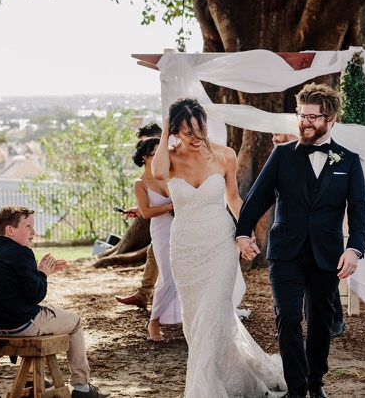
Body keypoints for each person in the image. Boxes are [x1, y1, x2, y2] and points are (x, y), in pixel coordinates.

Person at [237, 83, 365, 398]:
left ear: (330, 119)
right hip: (286, 253)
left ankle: (315, 382)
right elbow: (257, 197)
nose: (306, 122)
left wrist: (354, 249)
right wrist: (243, 232)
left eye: (313, 117)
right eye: (302, 115)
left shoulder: (348, 161)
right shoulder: (282, 155)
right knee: (289, 318)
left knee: (321, 323)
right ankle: (297, 389)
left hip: (327, 255)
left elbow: (360, 208)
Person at [151, 97, 286, 397]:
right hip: (185, 249)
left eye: (201, 129)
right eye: (187, 132)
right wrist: (164, 131)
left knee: (212, 313)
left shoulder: (225, 155)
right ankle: (236, 379)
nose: (197, 138)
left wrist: (245, 233)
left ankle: (203, 390)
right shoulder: (168, 157)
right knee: (197, 321)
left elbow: (234, 199)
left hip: (220, 245)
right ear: (174, 132)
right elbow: (158, 173)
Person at [0, 205, 108, 398]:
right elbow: (35, 294)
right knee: (75, 322)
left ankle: (33, 376)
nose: (34, 232)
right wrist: (43, 273)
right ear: (10, 230)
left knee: (43, 313)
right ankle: (82, 387)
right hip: (20, 325)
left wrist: (38, 271)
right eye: (28, 226)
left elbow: (13, 290)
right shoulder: (22, 252)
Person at [271, 133, 347, 340]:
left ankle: (334, 321)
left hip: (320, 234)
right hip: (291, 232)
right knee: (287, 289)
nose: (274, 138)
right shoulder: (281, 154)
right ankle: (286, 328)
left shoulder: (309, 141)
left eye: (277, 134)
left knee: (324, 285)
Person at [130, 137, 180, 342]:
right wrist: (170, 206)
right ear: (145, 156)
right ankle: (153, 322)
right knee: (167, 276)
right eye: (155, 152)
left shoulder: (170, 173)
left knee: (183, 274)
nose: (161, 155)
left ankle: (186, 318)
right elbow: (147, 212)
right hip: (161, 232)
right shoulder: (140, 183)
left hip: (182, 229)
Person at [115, 122, 163, 309]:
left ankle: (148, 295)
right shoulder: (144, 178)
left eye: (148, 144)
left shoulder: (171, 162)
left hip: (178, 220)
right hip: (162, 222)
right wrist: (141, 208)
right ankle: (144, 294)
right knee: (154, 252)